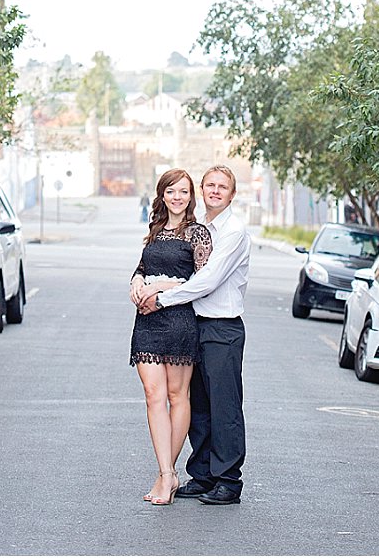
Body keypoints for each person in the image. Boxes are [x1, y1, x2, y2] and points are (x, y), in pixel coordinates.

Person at [138, 164, 251, 506]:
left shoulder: (233, 232)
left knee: (224, 406)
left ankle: (228, 481)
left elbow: (207, 280)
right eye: (210, 185)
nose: (215, 191)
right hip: (192, 323)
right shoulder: (199, 226)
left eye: (222, 187)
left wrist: (161, 297)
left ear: (232, 194)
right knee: (198, 404)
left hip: (221, 327)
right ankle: (203, 475)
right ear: (202, 190)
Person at [129, 169, 212, 506]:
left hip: (179, 322)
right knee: (153, 395)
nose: (177, 197)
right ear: (162, 195)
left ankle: (167, 474)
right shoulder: (155, 229)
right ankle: (168, 473)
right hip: (147, 321)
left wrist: (161, 286)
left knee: (178, 396)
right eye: (171, 191)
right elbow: (142, 266)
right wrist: (136, 282)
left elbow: (203, 281)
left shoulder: (197, 233)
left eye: (183, 192)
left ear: (191, 197)